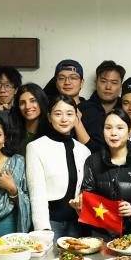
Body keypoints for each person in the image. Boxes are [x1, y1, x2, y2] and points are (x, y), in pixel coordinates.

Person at [75, 109, 131, 238]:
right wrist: (80, 202)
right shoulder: (92, 161)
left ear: (129, 132)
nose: (113, 133)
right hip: (99, 234)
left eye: (120, 128)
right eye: (108, 128)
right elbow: (87, 194)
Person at [26, 95, 91, 239]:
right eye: (58, 114)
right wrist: (43, 230)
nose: (64, 119)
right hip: (50, 223)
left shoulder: (84, 151)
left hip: (77, 223)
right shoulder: (36, 147)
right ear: (49, 117)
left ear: (76, 117)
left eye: (69, 114)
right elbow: (36, 192)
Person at [78, 60, 125, 153]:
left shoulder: (126, 110)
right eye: (103, 81)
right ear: (96, 83)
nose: (108, 87)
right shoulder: (82, 109)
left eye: (114, 82)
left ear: (121, 87)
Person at [11, 83, 49, 152]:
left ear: (41, 101)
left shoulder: (51, 134)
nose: (27, 106)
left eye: (33, 101)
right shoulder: (12, 134)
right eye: (22, 103)